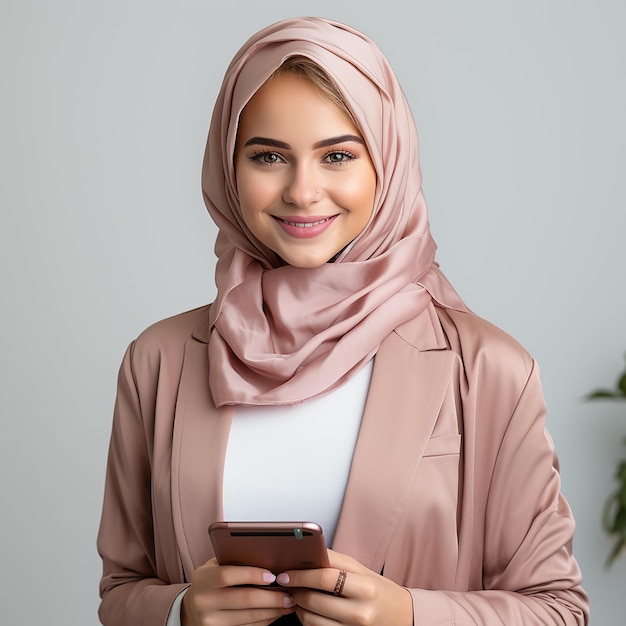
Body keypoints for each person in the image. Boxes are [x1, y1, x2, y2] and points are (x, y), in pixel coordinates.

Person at [97, 16, 590, 626]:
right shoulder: (160, 360)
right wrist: (178, 611)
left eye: (337, 156)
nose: (303, 192)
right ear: (228, 167)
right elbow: (121, 588)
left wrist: (409, 617)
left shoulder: (488, 368)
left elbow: (558, 610)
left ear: (387, 162)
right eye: (269, 155)